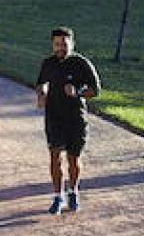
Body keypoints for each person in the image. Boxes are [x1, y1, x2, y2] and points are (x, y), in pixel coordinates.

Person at [35, 27, 100, 215]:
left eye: (64, 44)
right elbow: (40, 83)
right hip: (54, 117)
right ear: (52, 45)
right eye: (57, 44)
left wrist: (78, 92)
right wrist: (42, 92)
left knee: (74, 159)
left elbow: (95, 90)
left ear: (72, 43)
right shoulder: (48, 63)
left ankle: (73, 192)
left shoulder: (81, 63)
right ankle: (57, 196)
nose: (60, 47)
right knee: (55, 157)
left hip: (75, 118)